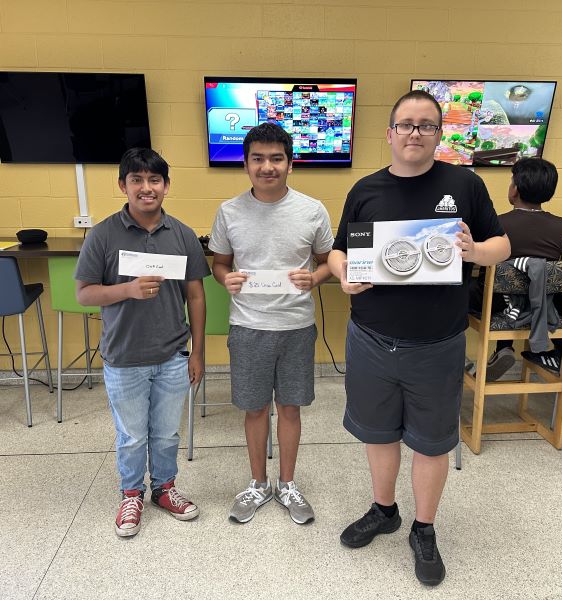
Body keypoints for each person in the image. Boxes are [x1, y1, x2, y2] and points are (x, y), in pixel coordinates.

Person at [328, 90, 510, 586]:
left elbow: (502, 244)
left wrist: (475, 251)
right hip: (371, 337)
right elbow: (339, 250)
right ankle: (384, 510)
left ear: (439, 134)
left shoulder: (464, 184)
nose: (415, 133)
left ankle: (424, 528)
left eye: (426, 125)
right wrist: (343, 274)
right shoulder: (365, 189)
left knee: (431, 442)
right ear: (389, 133)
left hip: (437, 341)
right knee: (378, 432)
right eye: (406, 124)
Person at [75, 148, 210, 537]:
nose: (146, 188)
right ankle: (131, 493)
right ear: (123, 185)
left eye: (154, 180)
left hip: (172, 354)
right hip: (124, 356)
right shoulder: (103, 234)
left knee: (166, 433)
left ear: (166, 186)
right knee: (132, 435)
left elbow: (196, 296)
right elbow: (84, 293)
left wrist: (198, 352)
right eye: (137, 180)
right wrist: (128, 290)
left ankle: (164, 488)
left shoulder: (182, 234)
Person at [209, 122, 333, 525]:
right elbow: (220, 264)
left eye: (276, 158)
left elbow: (328, 260)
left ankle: (287, 484)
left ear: (290, 163)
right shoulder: (229, 212)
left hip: (296, 326)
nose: (267, 167)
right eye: (258, 159)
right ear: (245, 164)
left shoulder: (312, 210)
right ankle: (258, 483)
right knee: (254, 408)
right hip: (248, 326)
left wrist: (314, 278)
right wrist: (224, 278)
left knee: (290, 408)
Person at [468, 157, 562, 380]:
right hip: (539, 301)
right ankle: (504, 347)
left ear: (515, 190)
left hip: (493, 302)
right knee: (521, 288)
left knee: (462, 289)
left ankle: (463, 359)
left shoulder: (498, 223)